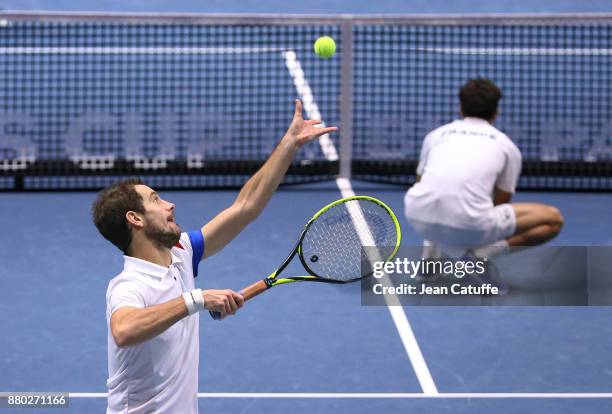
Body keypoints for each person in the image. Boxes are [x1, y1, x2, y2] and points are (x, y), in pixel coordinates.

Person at [92, 100, 337, 414]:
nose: (170, 205)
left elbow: (244, 207)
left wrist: (288, 145)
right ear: (135, 219)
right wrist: (198, 300)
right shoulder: (129, 285)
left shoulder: (179, 252)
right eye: (156, 200)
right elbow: (124, 330)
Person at [404, 78, 564, 262]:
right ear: (496, 112)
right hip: (470, 225)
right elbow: (501, 202)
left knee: (435, 194)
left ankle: (429, 257)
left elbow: (421, 182)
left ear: (461, 108)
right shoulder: (507, 147)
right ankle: (480, 255)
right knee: (553, 219)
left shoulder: (436, 135)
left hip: (417, 216)